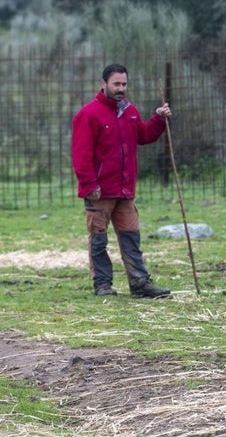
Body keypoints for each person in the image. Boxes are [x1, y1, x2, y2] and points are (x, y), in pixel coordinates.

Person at [71, 63, 172, 298]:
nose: (121, 88)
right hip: (99, 191)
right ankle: (103, 285)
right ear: (103, 84)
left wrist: (158, 119)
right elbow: (81, 154)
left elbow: (144, 136)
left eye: (124, 84)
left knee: (131, 237)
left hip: (125, 191)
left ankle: (139, 284)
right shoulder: (88, 114)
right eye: (116, 84)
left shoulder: (130, 111)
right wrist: (89, 184)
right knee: (98, 240)